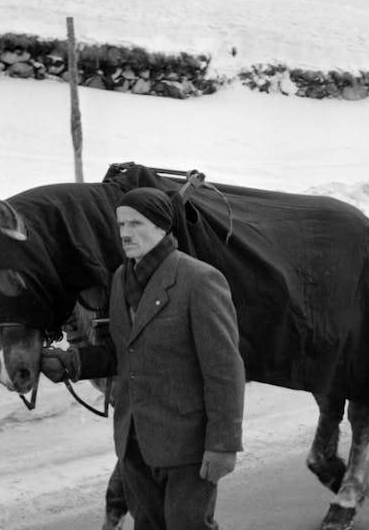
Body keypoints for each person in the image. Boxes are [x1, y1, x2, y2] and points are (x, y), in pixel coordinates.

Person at [41, 187, 246, 529]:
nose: (125, 233)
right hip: (134, 440)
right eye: (121, 224)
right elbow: (123, 351)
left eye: (136, 223)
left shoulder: (199, 280)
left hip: (187, 445)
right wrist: (71, 363)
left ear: (162, 226)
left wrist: (223, 445)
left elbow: (224, 370)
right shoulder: (122, 279)